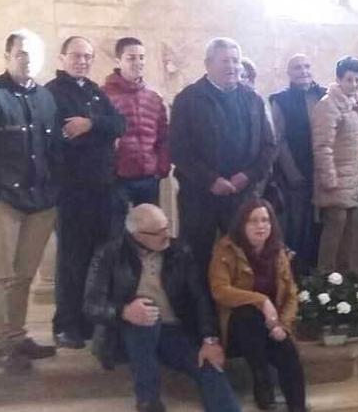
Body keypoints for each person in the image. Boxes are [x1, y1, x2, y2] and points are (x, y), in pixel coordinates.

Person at [84, 204, 241, 412]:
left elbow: (199, 298)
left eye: (167, 227)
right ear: (137, 235)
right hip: (124, 332)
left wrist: (209, 339)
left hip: (173, 331)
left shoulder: (180, 250)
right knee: (146, 314)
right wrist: (124, 311)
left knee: (209, 366)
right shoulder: (110, 253)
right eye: (159, 232)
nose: (167, 235)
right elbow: (91, 305)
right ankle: (148, 401)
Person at [169, 37, 276, 273]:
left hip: (242, 196)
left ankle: (241, 309)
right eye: (225, 60)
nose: (232, 66)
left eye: (236, 60)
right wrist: (211, 180)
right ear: (208, 64)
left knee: (243, 259)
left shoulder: (253, 100)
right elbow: (178, 148)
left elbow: (269, 147)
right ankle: (199, 310)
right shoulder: (188, 99)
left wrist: (247, 176)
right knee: (197, 260)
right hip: (199, 196)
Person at [47, 35, 127, 349]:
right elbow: (63, 137)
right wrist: (100, 131)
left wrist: (91, 125)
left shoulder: (95, 92)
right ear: (62, 57)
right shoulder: (52, 94)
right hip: (71, 191)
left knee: (99, 258)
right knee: (72, 259)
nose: (82, 61)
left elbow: (120, 124)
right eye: (77, 55)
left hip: (103, 189)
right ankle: (66, 325)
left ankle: (90, 320)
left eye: (88, 56)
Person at [0, 30, 60, 371]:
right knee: (1, 277)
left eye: (34, 53)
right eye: (21, 53)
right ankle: (0, 345)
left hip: (42, 201)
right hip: (5, 199)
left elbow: (54, 150)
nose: (28, 59)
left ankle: (17, 337)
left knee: (24, 277)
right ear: (8, 56)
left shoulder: (47, 98)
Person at [209, 199, 305, 412]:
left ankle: (298, 407)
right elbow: (220, 290)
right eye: (253, 221)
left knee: (289, 355)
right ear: (242, 225)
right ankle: (263, 385)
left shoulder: (279, 252)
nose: (260, 226)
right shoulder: (226, 249)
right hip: (239, 327)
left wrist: (283, 325)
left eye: (265, 220)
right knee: (249, 315)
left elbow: (291, 295)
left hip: (273, 324)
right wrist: (261, 301)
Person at [270, 53, 327, 275]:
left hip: (323, 172)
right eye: (297, 68)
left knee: (321, 227)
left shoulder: (325, 95)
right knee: (297, 227)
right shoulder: (280, 100)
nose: (303, 71)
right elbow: (279, 139)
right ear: (289, 73)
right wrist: (293, 173)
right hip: (295, 175)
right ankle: (295, 276)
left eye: (306, 66)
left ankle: (320, 278)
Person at [311, 56, 358, 273]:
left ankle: (344, 284)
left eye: (357, 80)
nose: (353, 85)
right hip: (336, 182)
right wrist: (330, 180)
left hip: (352, 179)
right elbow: (323, 146)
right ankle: (324, 283)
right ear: (339, 79)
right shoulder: (328, 105)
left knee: (348, 236)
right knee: (333, 234)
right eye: (349, 80)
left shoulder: (355, 103)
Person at [104, 37, 170, 206]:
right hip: (118, 180)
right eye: (131, 58)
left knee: (151, 228)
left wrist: (161, 167)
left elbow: (163, 136)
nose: (138, 62)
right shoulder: (104, 96)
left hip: (149, 178)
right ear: (118, 61)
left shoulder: (153, 98)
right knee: (119, 230)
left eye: (141, 57)